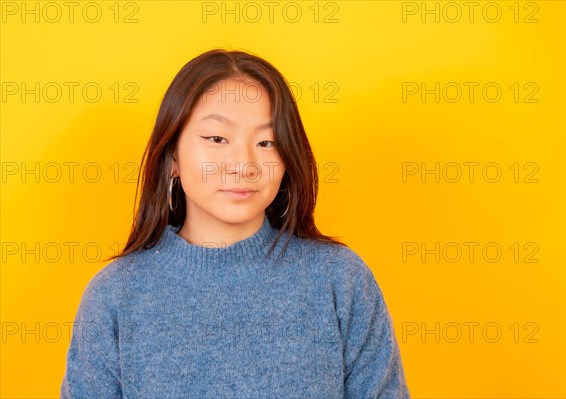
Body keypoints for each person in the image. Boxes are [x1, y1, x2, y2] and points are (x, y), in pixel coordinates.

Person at [60, 48, 411, 398]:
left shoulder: (340, 280)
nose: (244, 164)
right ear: (172, 158)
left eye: (266, 141)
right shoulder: (114, 295)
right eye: (216, 139)